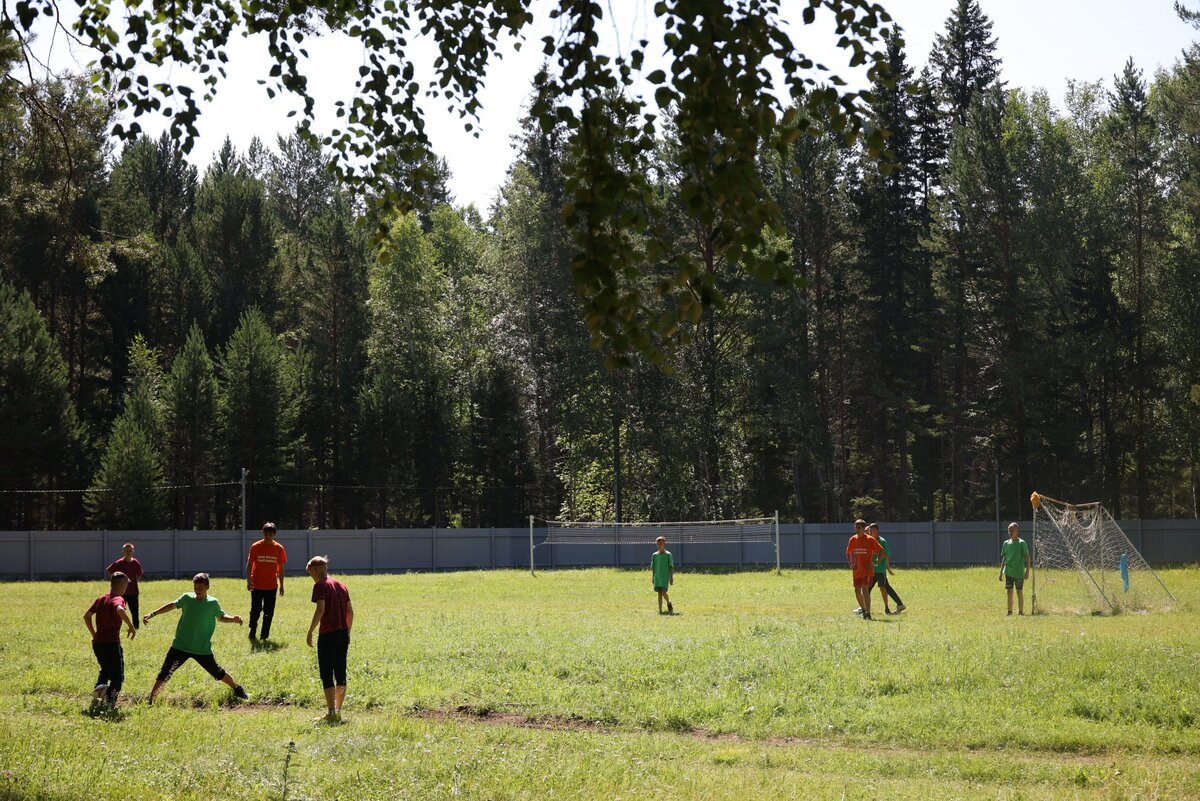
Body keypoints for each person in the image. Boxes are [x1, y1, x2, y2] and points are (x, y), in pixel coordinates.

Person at [143, 573, 248, 703]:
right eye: (195, 588)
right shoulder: (186, 598)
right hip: (180, 646)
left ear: (207, 587)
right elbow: (171, 605)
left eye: (200, 588)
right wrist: (153, 613)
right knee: (165, 673)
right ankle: (151, 700)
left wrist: (233, 619)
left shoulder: (212, 603)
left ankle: (237, 689)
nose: (197, 591)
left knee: (218, 673)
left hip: (201, 649)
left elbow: (221, 617)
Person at [305, 556, 354, 722]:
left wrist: (311, 630)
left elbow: (320, 610)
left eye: (310, 572)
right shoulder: (341, 585)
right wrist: (348, 631)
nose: (311, 576)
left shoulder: (320, 585)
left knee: (326, 673)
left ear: (317, 569)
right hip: (342, 633)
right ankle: (338, 711)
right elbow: (350, 612)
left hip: (328, 635)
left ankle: (331, 712)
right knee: (340, 672)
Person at [84, 572, 136, 706]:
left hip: (98, 643)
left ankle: (97, 696)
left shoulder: (101, 598)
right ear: (123, 585)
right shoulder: (118, 598)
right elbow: (119, 609)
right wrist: (131, 626)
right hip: (111, 644)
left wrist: (94, 634)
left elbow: (87, 616)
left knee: (105, 670)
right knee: (117, 677)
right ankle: (109, 702)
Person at [246, 521, 286, 641]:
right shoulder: (255, 546)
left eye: (271, 533)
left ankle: (264, 635)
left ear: (274, 534)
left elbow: (280, 568)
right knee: (255, 610)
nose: (268, 535)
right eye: (266, 533)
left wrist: (282, 585)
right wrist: (249, 581)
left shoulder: (279, 548)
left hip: (271, 586)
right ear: (263, 533)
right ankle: (252, 630)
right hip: (257, 585)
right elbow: (249, 565)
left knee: (269, 612)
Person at [846, 519, 883, 620]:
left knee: (865, 590)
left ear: (863, 528)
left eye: (859, 528)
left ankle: (868, 613)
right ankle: (863, 610)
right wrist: (851, 563)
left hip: (867, 570)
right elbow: (848, 552)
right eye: (855, 527)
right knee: (857, 590)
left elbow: (881, 551)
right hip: (857, 570)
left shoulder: (869, 539)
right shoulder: (853, 539)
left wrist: (875, 564)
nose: (856, 529)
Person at [867, 523, 907, 615]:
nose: (869, 532)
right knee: (867, 589)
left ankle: (888, 608)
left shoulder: (882, 541)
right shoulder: (869, 541)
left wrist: (886, 567)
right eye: (869, 531)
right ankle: (864, 607)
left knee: (883, 588)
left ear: (876, 531)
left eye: (871, 531)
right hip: (871, 570)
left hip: (880, 570)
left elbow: (887, 555)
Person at [106, 542, 144, 629]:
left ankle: (136, 627)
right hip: (121, 592)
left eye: (130, 550)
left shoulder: (135, 562)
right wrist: (116, 581)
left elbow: (140, 572)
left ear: (133, 551)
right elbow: (109, 570)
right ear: (123, 551)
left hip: (133, 591)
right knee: (119, 610)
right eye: (126, 551)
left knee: (135, 611)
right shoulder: (119, 563)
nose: (128, 552)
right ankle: (116, 626)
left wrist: (136, 580)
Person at [1000, 522, 1031, 615]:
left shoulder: (1022, 543)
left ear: (1016, 531)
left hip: (1019, 572)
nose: (1009, 531)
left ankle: (1020, 612)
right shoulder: (1005, 543)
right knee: (1009, 591)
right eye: (1009, 530)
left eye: (1012, 530)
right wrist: (1000, 572)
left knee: (1019, 591)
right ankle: (1009, 612)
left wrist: (1027, 571)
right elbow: (1004, 558)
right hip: (1008, 572)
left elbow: (1028, 557)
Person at [651, 536, 675, 615]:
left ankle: (668, 603)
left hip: (665, 577)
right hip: (657, 577)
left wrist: (671, 577)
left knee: (664, 593)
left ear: (664, 544)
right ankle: (660, 610)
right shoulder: (654, 555)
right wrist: (653, 577)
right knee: (659, 593)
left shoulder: (668, 555)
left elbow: (671, 567)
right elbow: (653, 567)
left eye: (661, 543)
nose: (659, 545)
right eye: (657, 543)